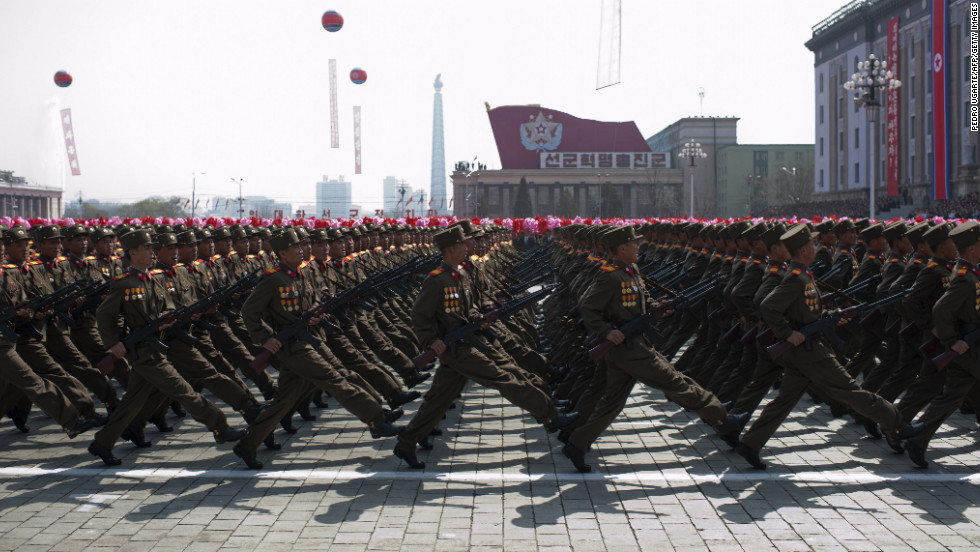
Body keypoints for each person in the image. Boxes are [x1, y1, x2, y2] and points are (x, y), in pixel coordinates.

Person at [560, 225, 743, 473]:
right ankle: (721, 416)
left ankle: (577, 444)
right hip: (631, 350)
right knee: (676, 382)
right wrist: (605, 331)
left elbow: (642, 301)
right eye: (633, 244)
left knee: (612, 402)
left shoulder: (630, 270)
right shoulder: (611, 275)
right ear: (621, 248)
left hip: (632, 347)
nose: (638, 247)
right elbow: (587, 306)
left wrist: (659, 306)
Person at [733, 224, 916, 469]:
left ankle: (750, 443)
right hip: (810, 351)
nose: (815, 247)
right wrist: (787, 333)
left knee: (785, 399)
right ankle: (898, 424)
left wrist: (832, 314)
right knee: (851, 390)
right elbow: (768, 306)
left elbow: (806, 311)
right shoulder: (797, 277)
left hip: (804, 351)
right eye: (811, 244)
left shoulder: (803, 274)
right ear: (802, 250)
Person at [393, 226, 576, 470]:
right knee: (503, 378)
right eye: (460, 245)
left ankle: (406, 443)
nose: (466, 247)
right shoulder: (436, 280)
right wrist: (429, 341)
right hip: (456, 348)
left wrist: (480, 316)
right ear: (449, 250)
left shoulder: (461, 275)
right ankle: (551, 415)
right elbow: (419, 315)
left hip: (466, 342)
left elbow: (467, 309)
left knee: (438, 399)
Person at [232, 228, 403, 470]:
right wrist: (264, 338)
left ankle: (247, 444)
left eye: (303, 246)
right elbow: (249, 312)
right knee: (334, 380)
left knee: (285, 399)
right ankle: (376, 420)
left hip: (311, 338)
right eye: (296, 247)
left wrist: (315, 313)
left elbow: (309, 302)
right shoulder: (272, 279)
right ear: (282, 252)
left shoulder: (300, 274)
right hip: (293, 346)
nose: (303, 250)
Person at [89, 229, 245, 466]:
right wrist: (114, 344)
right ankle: (219, 426)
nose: (152, 252)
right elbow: (104, 314)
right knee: (184, 391)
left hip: (154, 347)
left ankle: (102, 443)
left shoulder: (153, 278)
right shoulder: (125, 283)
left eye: (152, 248)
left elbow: (165, 306)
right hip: (143, 352)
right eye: (147, 248)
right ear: (133, 252)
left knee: (132, 402)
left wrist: (168, 317)